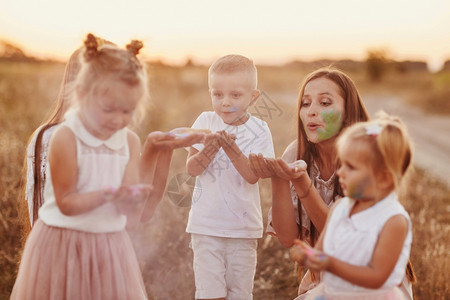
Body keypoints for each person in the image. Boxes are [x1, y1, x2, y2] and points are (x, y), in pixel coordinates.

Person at [11, 33, 205, 300]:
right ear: (83, 89)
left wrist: (157, 150)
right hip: (61, 254)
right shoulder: (55, 137)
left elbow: (135, 217)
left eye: (127, 111)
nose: (118, 119)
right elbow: (55, 211)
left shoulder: (124, 139)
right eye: (110, 108)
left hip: (107, 250)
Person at [248, 67, 415, 299]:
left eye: (325, 103)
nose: (311, 112)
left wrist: (303, 185)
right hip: (333, 278)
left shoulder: (363, 160)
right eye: (305, 104)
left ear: (348, 112)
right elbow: (288, 238)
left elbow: (344, 232)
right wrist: (278, 178)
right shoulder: (296, 152)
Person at [289, 113, 413, 299]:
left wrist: (330, 264)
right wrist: (309, 256)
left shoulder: (393, 221)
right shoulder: (340, 208)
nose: (340, 172)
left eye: (351, 167)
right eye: (342, 164)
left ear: (384, 178)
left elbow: (376, 277)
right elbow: (321, 253)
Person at [185, 54, 274, 300]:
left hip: (242, 229)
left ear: (253, 97)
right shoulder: (205, 121)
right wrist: (212, 147)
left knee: (239, 293)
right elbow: (192, 169)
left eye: (235, 95)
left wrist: (231, 149)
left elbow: (252, 176)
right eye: (217, 94)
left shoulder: (259, 129)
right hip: (206, 226)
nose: (225, 102)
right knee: (210, 293)